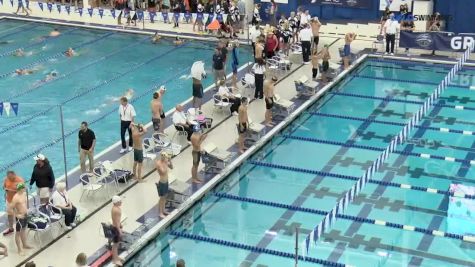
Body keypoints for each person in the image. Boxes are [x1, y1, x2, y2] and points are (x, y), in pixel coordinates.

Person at [11, 183, 32, 255]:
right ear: (20, 189)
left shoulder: (23, 194)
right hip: (19, 218)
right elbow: (10, 209)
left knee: (23, 230)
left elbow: (24, 204)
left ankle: (25, 245)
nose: (25, 188)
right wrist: (17, 215)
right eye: (24, 187)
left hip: (25, 215)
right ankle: (19, 250)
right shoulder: (15, 197)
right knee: (18, 233)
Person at [3, 170, 24, 236]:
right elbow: (4, 187)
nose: (9, 179)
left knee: (19, 215)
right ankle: (11, 229)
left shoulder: (19, 180)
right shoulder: (6, 179)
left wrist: (11, 190)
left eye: (10, 177)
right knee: (10, 215)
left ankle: (20, 229)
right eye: (8, 177)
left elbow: (22, 191)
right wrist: (5, 188)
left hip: (17, 201)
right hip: (9, 200)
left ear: (14, 175)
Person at [156, 151, 173, 218]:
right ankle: (160, 213)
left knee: (165, 196)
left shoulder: (165, 161)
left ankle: (163, 210)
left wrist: (170, 161)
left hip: (166, 182)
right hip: (162, 183)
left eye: (166, 157)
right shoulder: (158, 163)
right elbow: (163, 172)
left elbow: (171, 167)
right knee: (161, 198)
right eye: (164, 157)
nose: (165, 158)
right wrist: (166, 163)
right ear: (161, 156)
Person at [111, 195, 123, 266]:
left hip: (115, 227)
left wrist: (120, 224)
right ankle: (115, 260)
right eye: (120, 201)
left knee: (116, 244)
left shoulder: (115, 208)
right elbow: (116, 221)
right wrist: (119, 230)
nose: (121, 202)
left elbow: (117, 220)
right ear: (116, 202)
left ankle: (116, 257)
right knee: (115, 245)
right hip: (115, 229)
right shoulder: (116, 210)